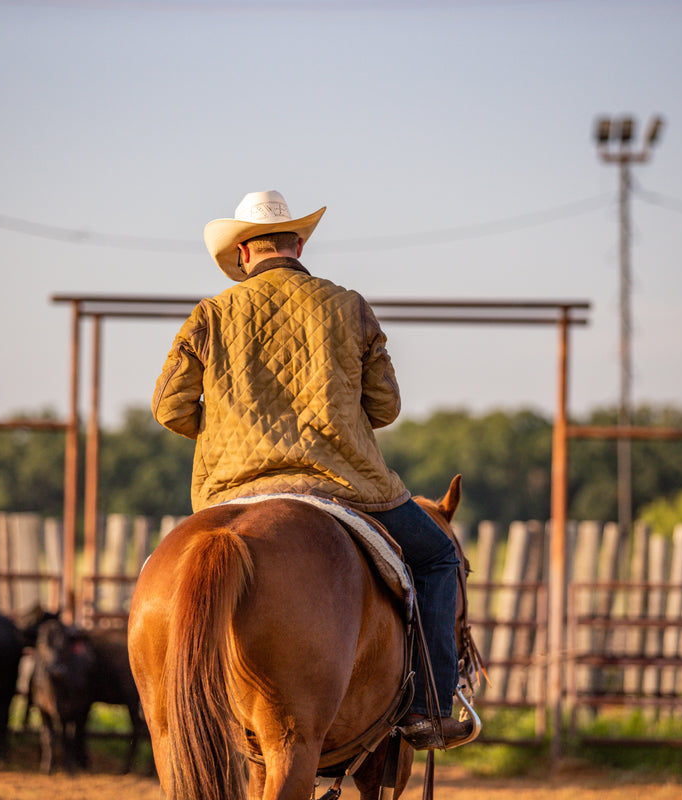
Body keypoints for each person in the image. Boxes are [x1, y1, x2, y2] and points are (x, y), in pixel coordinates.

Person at [151, 190, 471, 750]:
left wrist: (227, 428)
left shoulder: (209, 315)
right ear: (298, 244)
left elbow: (169, 408)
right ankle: (430, 708)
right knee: (439, 558)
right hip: (343, 484)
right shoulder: (348, 305)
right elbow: (386, 407)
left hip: (231, 488)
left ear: (244, 254)